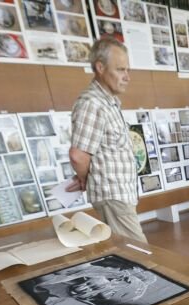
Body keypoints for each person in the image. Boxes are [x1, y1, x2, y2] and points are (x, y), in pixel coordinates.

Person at [68, 38, 147, 243]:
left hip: (120, 195)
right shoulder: (92, 103)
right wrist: (85, 179)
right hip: (113, 196)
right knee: (138, 251)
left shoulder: (109, 102)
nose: (127, 77)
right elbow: (78, 155)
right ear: (100, 68)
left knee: (129, 250)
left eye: (128, 70)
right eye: (120, 70)